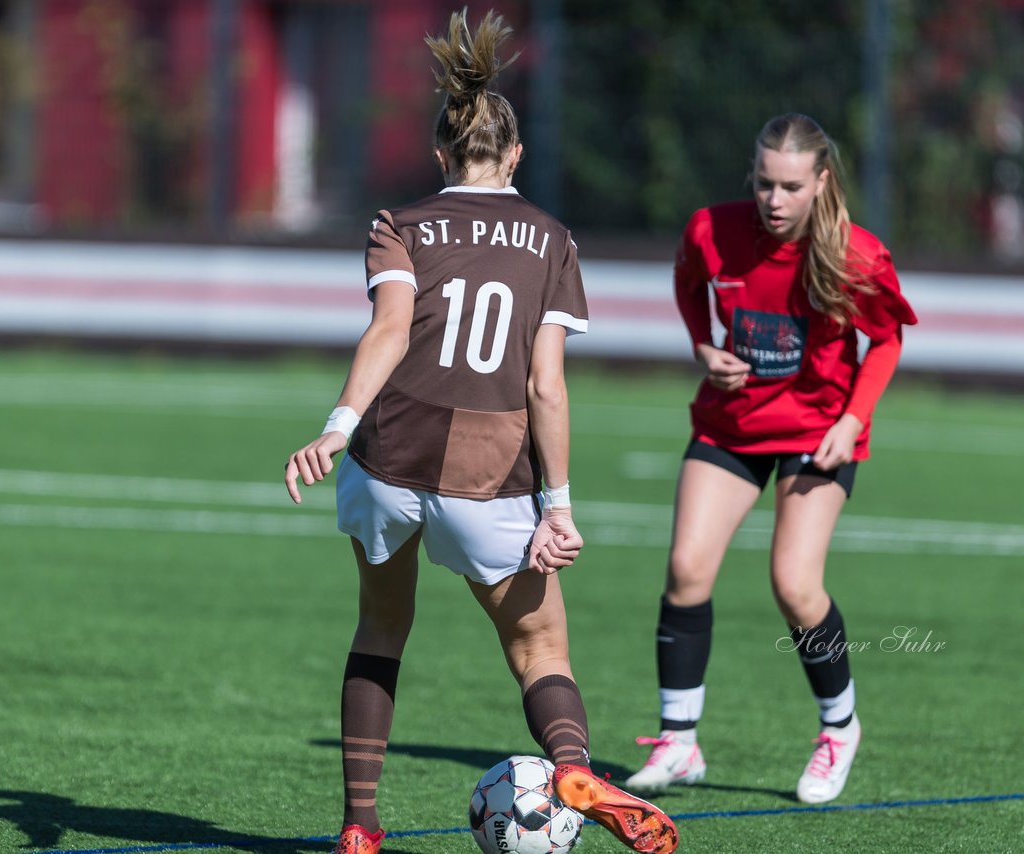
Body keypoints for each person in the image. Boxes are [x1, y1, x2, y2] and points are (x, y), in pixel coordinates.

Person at [283, 10, 678, 854]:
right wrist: (559, 507)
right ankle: (571, 765)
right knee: (539, 648)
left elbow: (388, 333)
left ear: (440, 155)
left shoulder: (402, 222)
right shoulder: (551, 239)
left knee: (380, 630)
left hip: (387, 456)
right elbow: (546, 384)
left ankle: (359, 826)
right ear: (517, 156)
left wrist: (334, 427)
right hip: (489, 475)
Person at [625, 113, 918, 805]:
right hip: (730, 426)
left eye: (790, 186)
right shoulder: (711, 229)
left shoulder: (857, 255)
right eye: (763, 184)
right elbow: (687, 280)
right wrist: (703, 346)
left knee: (793, 585)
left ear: (822, 182)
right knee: (686, 568)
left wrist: (854, 418)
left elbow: (887, 342)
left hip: (819, 433)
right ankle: (679, 742)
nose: (774, 201)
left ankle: (838, 729)